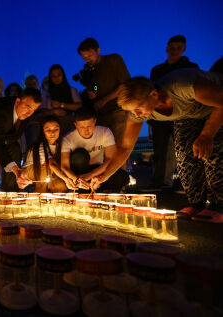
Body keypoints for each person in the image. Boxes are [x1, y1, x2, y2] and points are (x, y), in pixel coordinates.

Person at [99, 70, 223, 222]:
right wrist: (104, 176)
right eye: (131, 111)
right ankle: (196, 203)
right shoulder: (136, 114)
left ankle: (219, 205)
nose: (136, 114)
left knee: (215, 153)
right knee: (184, 156)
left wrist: (206, 135)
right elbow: (125, 147)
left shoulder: (183, 86)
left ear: (153, 94)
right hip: (189, 115)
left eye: (138, 108)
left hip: (217, 108)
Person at [145, 35, 199, 192]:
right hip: (161, 117)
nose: (174, 51)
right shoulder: (157, 70)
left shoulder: (191, 67)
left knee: (185, 150)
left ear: (183, 49)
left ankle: (187, 184)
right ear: (167, 49)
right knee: (159, 150)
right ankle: (159, 182)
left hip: (184, 114)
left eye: (178, 48)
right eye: (172, 48)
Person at [61, 108, 129, 192]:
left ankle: (92, 186)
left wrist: (90, 175)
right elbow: (64, 166)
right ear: (75, 125)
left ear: (94, 122)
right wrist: (76, 179)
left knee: (123, 177)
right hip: (79, 171)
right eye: (82, 127)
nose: (86, 130)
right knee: (80, 155)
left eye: (89, 126)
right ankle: (84, 187)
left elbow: (110, 160)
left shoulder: (105, 132)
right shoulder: (68, 138)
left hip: (97, 170)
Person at [77, 38, 130, 144]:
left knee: (117, 146)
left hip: (117, 111)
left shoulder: (113, 60)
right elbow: (96, 86)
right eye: (84, 57)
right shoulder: (91, 69)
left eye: (90, 55)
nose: (87, 59)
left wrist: (104, 100)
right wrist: (93, 93)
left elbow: (125, 85)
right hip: (101, 115)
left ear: (98, 50)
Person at [22, 115, 73, 192]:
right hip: (33, 170)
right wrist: (66, 178)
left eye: (56, 129)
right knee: (46, 170)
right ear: (43, 132)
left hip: (50, 171)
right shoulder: (40, 145)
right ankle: (39, 195)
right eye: (48, 130)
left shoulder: (60, 144)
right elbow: (51, 164)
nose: (52, 133)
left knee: (60, 185)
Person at [45, 64, 83, 135]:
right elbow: (42, 111)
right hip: (52, 124)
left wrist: (61, 105)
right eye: (53, 76)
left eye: (59, 75)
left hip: (69, 122)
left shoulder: (71, 90)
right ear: (50, 78)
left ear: (63, 76)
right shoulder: (46, 93)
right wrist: (53, 112)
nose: (56, 78)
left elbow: (79, 105)